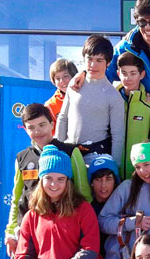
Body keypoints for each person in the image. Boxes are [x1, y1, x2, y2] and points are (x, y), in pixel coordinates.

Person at [15, 145, 103, 259]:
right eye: (48, 178)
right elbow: (23, 255)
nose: (54, 184)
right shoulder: (32, 214)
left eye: (60, 179)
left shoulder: (82, 208)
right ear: (41, 180)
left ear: (68, 181)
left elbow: (90, 248)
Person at [5, 103, 91, 259]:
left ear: (52, 124)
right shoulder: (22, 157)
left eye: (42, 125)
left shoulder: (70, 151)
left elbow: (84, 193)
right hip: (28, 230)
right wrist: (11, 231)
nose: (37, 131)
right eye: (31, 127)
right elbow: (17, 197)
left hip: (62, 230)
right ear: (25, 130)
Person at [56, 34, 126, 165]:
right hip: (69, 153)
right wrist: (57, 151)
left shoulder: (113, 95)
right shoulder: (74, 84)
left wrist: (115, 167)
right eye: (89, 59)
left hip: (96, 157)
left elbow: (118, 137)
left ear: (108, 63)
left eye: (99, 60)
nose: (93, 65)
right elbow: (63, 118)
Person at [117, 52, 150, 179]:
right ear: (118, 74)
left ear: (141, 74)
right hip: (112, 173)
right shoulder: (111, 99)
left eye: (133, 73)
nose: (128, 78)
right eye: (124, 73)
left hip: (139, 175)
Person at [88, 154, 121, 257]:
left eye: (108, 179)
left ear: (115, 181)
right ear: (91, 182)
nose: (103, 185)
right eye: (98, 180)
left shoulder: (123, 205)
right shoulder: (87, 208)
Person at [45, 58, 79, 134]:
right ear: (53, 81)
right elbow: (52, 133)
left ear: (74, 76)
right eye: (57, 78)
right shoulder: (50, 105)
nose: (62, 81)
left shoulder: (87, 94)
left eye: (66, 76)